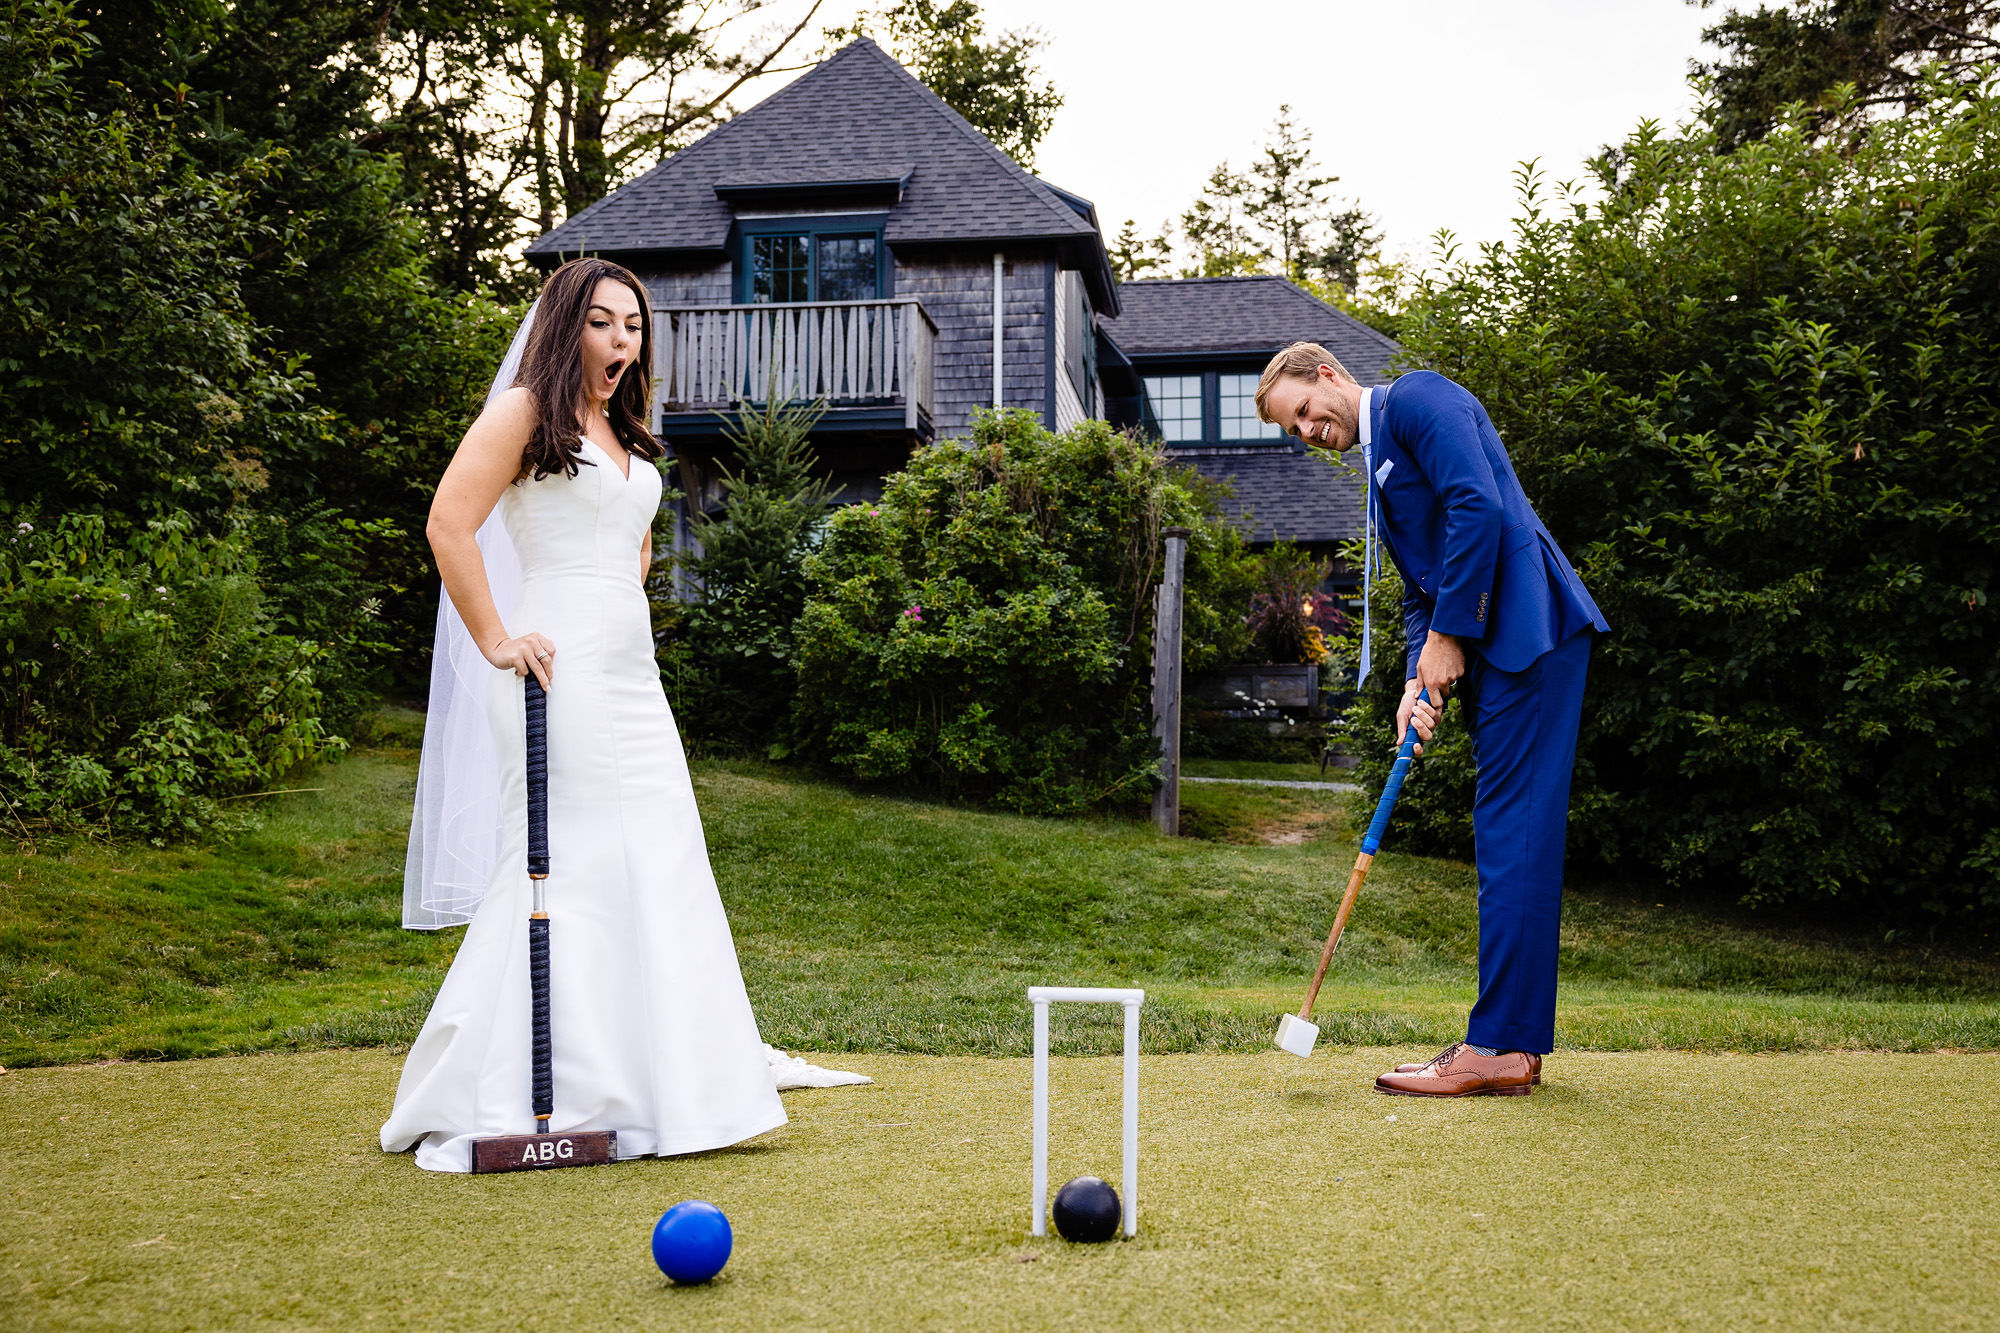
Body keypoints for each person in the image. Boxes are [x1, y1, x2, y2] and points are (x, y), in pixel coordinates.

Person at [380, 257, 791, 1170]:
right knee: (563, 863)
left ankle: (664, 1083)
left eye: (634, 327)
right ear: (568, 325)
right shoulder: (524, 412)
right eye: (604, 323)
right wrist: (496, 637)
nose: (621, 341)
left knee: (660, 849)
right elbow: (450, 522)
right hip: (552, 668)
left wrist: (619, 604)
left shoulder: (624, 429)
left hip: (630, 676)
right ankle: (536, 1085)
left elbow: (633, 541)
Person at [1257, 343, 1608, 1097]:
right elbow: (1425, 586)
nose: (1309, 432)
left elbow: (1478, 504)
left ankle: (1498, 1048)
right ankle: (1508, 1046)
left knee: (1512, 829)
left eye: (1305, 413)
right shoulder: (1380, 475)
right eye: (1295, 430)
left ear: (1327, 375)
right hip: (1509, 642)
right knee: (1508, 829)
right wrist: (1420, 676)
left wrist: (1451, 637)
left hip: (1532, 629)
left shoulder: (1417, 399)